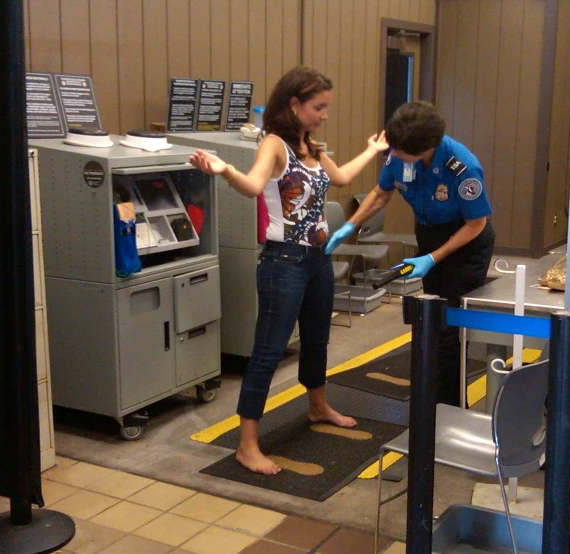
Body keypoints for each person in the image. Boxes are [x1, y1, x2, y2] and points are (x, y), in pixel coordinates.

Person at [189, 66, 389, 474]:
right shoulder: (275, 145)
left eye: (327, 107)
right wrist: (223, 170)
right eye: (319, 107)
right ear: (293, 104)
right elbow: (251, 185)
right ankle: (247, 444)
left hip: (316, 261)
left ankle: (317, 406)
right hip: (283, 262)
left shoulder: (309, 147)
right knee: (268, 351)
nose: (324, 115)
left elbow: (343, 176)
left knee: (316, 340)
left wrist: (373, 149)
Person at [326, 100, 495, 408]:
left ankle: (449, 409)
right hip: (429, 233)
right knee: (429, 319)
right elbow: (381, 193)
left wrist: (433, 258)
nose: (393, 156)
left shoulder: (462, 167)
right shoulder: (400, 152)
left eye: (400, 153)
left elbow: (476, 223)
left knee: (449, 329)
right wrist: (350, 226)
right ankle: (434, 399)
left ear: (426, 148)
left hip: (464, 242)